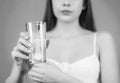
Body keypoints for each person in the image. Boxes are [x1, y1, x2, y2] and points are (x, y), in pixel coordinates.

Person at [5, 0, 120, 83]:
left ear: (84, 3)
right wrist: (20, 73)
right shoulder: (34, 41)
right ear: (51, 2)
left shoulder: (102, 40)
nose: (66, 3)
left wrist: (60, 78)